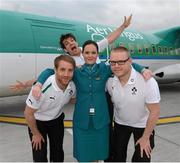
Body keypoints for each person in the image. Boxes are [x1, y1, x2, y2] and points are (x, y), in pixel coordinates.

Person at [32, 40, 150, 162]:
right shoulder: (76, 71)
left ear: (97, 54)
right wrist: (39, 84)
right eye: (87, 52)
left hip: (100, 120)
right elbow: (50, 71)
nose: (90, 55)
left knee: (100, 154)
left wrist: (142, 70)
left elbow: (127, 64)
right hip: (82, 121)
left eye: (93, 52)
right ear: (82, 54)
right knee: (84, 156)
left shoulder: (104, 69)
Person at [10, 14, 134, 90]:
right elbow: (50, 73)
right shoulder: (67, 62)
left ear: (76, 41)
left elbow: (110, 38)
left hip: (103, 89)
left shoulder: (90, 48)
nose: (71, 44)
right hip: (86, 92)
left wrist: (123, 26)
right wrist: (27, 84)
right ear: (65, 50)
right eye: (67, 44)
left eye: (72, 41)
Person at [106, 46, 161, 162]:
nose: (116, 66)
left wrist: (146, 138)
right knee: (117, 157)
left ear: (130, 61)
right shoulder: (109, 80)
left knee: (142, 157)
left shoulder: (148, 81)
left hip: (143, 125)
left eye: (121, 62)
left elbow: (155, 111)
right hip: (120, 124)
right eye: (113, 62)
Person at [24, 55, 76, 162]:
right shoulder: (41, 88)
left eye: (70, 70)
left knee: (57, 153)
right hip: (38, 123)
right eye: (62, 69)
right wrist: (35, 133)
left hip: (56, 121)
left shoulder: (72, 86)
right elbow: (28, 113)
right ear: (55, 70)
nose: (66, 74)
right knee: (40, 156)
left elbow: (73, 99)